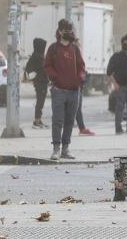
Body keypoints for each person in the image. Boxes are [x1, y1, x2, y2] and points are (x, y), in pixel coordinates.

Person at [44, 19, 87, 160]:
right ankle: (56, 149)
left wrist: (80, 78)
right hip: (58, 90)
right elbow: (47, 65)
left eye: (70, 29)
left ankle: (65, 149)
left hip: (74, 91)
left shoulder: (75, 48)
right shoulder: (53, 48)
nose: (68, 31)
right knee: (57, 120)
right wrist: (54, 77)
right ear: (60, 30)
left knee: (70, 121)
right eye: (65, 29)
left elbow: (82, 66)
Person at [25, 37, 49, 129]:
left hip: (41, 81)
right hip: (40, 82)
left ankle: (38, 119)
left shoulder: (37, 56)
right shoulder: (37, 57)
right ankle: (37, 120)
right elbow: (40, 69)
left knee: (41, 101)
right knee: (40, 101)